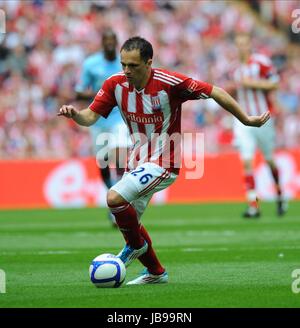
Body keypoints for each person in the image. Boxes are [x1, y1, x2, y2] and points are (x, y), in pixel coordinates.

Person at [58, 36, 270, 285]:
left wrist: (245, 119)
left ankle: (135, 248)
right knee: (129, 221)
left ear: (149, 63)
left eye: (133, 65)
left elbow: (216, 91)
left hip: (164, 161)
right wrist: (75, 115)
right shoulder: (114, 84)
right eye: (123, 64)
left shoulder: (170, 83)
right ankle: (156, 273)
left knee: (114, 198)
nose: (126, 70)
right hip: (136, 162)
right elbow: (90, 116)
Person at [75, 28, 131, 226]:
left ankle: (122, 199)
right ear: (102, 42)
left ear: (116, 42)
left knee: (121, 153)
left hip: (119, 118)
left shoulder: (124, 63)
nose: (109, 43)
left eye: (112, 40)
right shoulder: (91, 64)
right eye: (105, 40)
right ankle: (113, 199)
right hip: (98, 119)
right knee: (103, 163)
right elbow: (80, 91)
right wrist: (103, 94)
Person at [229, 32, 286, 218]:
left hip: (263, 119)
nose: (241, 47)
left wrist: (252, 83)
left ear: (249, 45)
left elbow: (275, 83)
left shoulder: (260, 62)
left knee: (269, 160)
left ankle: (279, 195)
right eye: (238, 44)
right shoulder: (236, 70)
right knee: (246, 162)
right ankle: (254, 205)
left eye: (244, 43)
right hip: (243, 120)